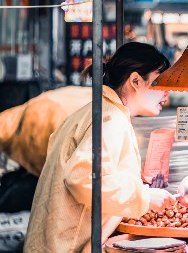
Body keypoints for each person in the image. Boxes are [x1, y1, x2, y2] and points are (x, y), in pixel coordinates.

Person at [24, 42, 177, 253]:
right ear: (135, 81)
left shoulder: (100, 111)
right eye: (160, 83)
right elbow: (82, 178)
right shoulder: (110, 119)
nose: (166, 93)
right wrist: (145, 197)